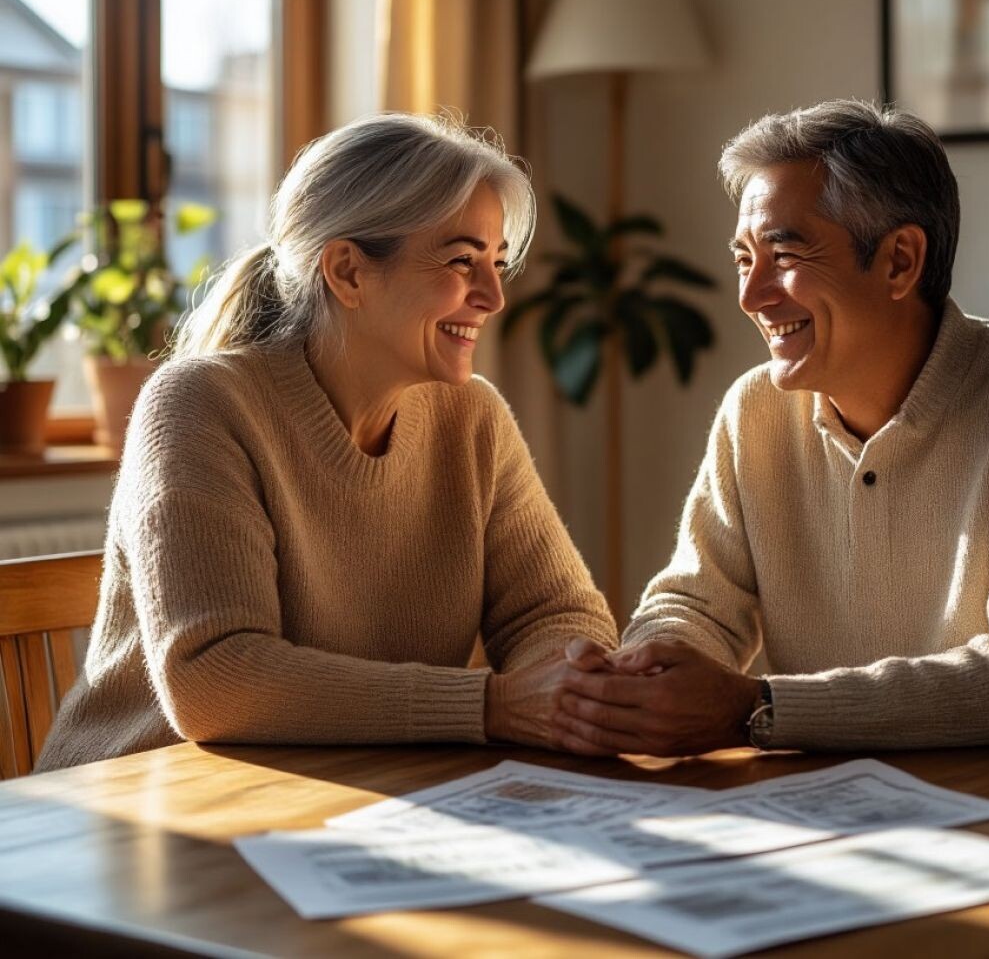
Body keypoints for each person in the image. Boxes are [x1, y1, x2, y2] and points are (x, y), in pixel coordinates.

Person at [554, 99, 989, 756]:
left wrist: (760, 708)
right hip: (861, 811)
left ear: (900, 262)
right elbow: (697, 604)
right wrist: (649, 668)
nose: (751, 295)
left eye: (784, 255)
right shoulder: (754, 412)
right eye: (744, 259)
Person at [36, 113, 616, 772]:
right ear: (347, 272)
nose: (491, 297)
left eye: (497, 264)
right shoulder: (201, 403)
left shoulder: (473, 418)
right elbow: (214, 680)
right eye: (461, 261)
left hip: (349, 795)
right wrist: (492, 705)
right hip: (137, 811)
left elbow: (558, 612)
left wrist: (561, 684)